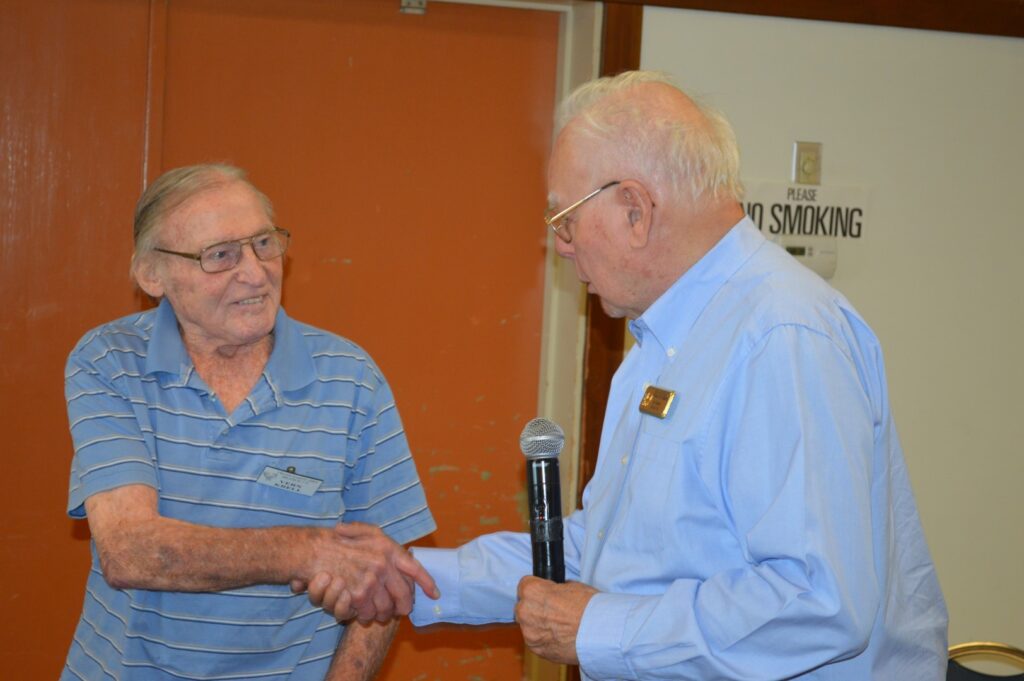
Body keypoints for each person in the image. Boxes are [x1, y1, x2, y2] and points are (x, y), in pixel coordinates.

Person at [403, 71, 949, 678]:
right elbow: (607, 552)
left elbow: (816, 602)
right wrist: (420, 579)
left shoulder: (782, 337)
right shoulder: (657, 343)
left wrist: (601, 627)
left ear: (636, 209)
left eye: (565, 220)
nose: (560, 245)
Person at [62, 163, 439, 681]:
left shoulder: (351, 378)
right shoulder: (109, 360)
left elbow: (386, 569)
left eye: (264, 244)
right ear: (153, 274)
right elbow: (131, 551)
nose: (255, 272)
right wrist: (308, 551)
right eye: (220, 255)